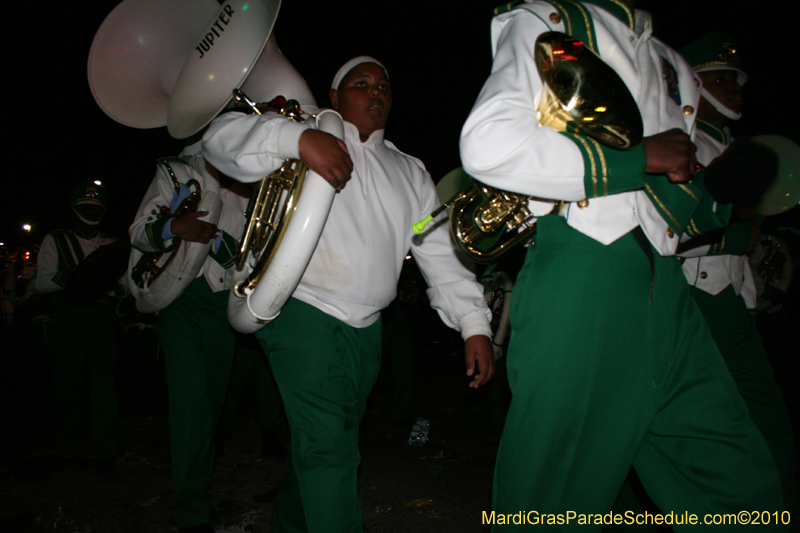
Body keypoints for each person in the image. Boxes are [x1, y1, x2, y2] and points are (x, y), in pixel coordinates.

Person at [459, 0, 785, 527]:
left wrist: (716, 191)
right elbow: (489, 145)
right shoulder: (554, 21)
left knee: (737, 485)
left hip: (668, 290)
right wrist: (639, 157)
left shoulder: (674, 65)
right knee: (551, 501)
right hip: (586, 273)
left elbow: (656, 209)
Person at [202, 56, 494, 533]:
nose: (376, 91)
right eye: (361, 83)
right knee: (329, 451)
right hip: (303, 313)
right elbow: (218, 138)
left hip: (368, 330)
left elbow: (438, 253)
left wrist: (474, 324)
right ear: (335, 97)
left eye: (384, 85)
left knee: (324, 449)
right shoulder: (304, 131)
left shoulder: (411, 171)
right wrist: (296, 140)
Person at [678, 31, 799, 519]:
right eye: (721, 80)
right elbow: (666, 232)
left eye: (736, 81)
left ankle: (775, 516)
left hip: (730, 302)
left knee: (767, 419)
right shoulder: (678, 144)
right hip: (690, 301)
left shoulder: (739, 148)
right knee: (693, 426)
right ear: (694, 85)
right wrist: (733, 237)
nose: (735, 90)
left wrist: (748, 293)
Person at [129, 154, 249, 533]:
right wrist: (174, 227)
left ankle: (199, 480)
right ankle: (190, 508)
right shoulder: (176, 172)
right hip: (178, 299)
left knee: (211, 399)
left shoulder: (251, 185)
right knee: (189, 398)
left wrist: (226, 248)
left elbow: (253, 257)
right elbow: (138, 231)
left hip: (223, 303)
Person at [31, 181, 124, 474]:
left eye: (97, 208)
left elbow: (126, 285)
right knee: (67, 386)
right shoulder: (56, 240)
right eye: (86, 207)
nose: (91, 212)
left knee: (105, 387)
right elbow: (42, 282)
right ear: (74, 210)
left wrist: (116, 288)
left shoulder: (113, 244)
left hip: (103, 320)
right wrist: (81, 277)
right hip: (69, 319)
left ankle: (106, 453)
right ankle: (67, 451)